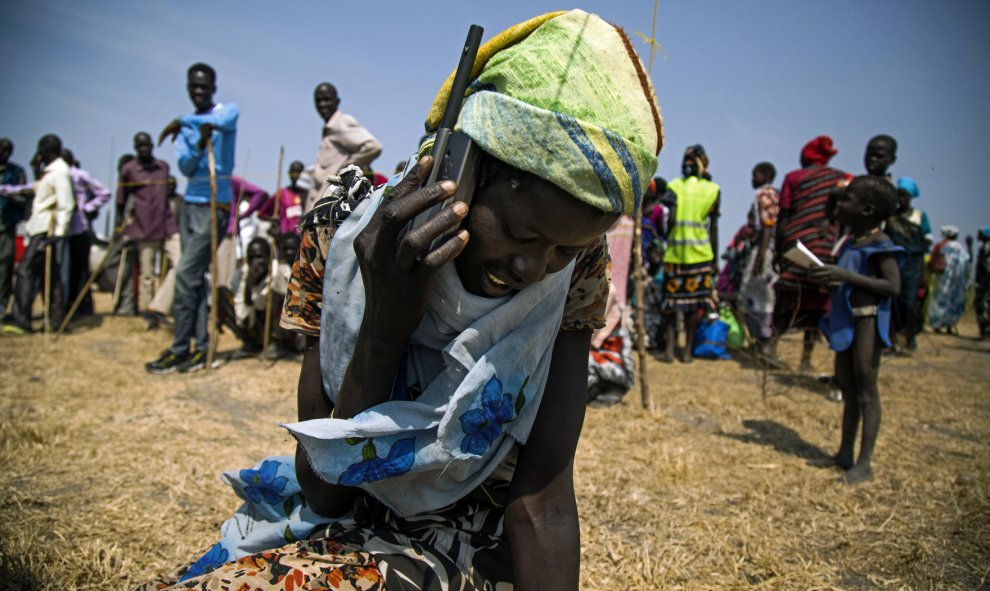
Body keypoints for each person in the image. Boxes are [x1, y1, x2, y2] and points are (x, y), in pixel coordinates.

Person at [135, 10, 662, 590]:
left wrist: (556, 253)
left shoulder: (574, 273)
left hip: (470, 557)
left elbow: (542, 502)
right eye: (522, 234)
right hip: (340, 523)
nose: (531, 268)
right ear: (460, 171)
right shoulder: (342, 236)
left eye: (561, 249)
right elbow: (326, 491)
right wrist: (386, 323)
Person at [146, 62, 238, 373]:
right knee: (193, 278)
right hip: (190, 204)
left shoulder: (227, 112)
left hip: (216, 203)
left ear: (213, 87)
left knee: (184, 275)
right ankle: (198, 347)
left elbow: (222, 121)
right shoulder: (187, 131)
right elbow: (185, 167)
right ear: (188, 87)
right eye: (194, 86)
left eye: (204, 86)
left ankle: (180, 348)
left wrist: (181, 120)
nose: (199, 91)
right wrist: (199, 139)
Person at [810, 176, 902, 484]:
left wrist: (844, 275)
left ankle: (865, 463)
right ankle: (845, 453)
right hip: (847, 322)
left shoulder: (881, 245)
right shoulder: (851, 242)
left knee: (866, 391)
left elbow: (892, 286)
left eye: (848, 198)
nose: (841, 203)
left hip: (867, 322)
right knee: (848, 389)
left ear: (867, 210)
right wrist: (831, 277)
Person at [773, 135, 853, 371]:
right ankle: (805, 359)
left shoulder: (794, 178)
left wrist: (780, 251)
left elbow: (784, 216)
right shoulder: (842, 179)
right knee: (817, 304)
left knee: (788, 299)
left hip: (796, 248)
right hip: (826, 248)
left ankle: (769, 347)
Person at [7, 134, 74, 334]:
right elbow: (37, 190)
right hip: (39, 229)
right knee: (50, 277)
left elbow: (66, 203)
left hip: (46, 230)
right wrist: (36, 169)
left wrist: (59, 233)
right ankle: (56, 320)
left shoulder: (60, 171)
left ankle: (22, 319)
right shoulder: (49, 172)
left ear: (45, 150)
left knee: (25, 271)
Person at [661, 144, 720, 363]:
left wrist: (667, 237)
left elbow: (672, 220)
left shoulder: (674, 186)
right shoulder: (712, 190)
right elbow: (713, 228)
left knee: (670, 304)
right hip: (701, 255)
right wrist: (714, 258)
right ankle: (686, 352)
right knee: (694, 306)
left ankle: (668, 349)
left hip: (675, 254)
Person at [116, 131, 179, 326]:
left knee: (183, 263)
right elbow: (121, 200)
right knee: (147, 274)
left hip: (168, 225)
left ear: (152, 145)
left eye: (147, 145)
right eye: (140, 146)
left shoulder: (163, 168)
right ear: (135, 148)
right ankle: (148, 315)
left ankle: (159, 306)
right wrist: (119, 227)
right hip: (144, 228)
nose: (144, 149)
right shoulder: (129, 170)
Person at [304, 82, 382, 213]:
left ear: (337, 101)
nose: (322, 104)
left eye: (327, 99)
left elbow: (372, 146)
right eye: (318, 101)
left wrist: (346, 168)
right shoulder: (329, 129)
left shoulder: (340, 123)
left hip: (329, 208)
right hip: (318, 209)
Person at [737, 162, 780, 356]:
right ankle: (759, 340)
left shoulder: (765, 194)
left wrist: (760, 258)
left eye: (755, 175)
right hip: (764, 250)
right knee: (756, 296)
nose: (752, 179)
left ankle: (763, 341)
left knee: (760, 296)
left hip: (765, 252)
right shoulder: (772, 194)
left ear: (765, 174)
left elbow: (768, 227)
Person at [885, 177, 931, 351]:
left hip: (912, 266)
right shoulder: (891, 217)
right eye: (899, 195)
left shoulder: (919, 216)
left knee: (910, 303)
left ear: (911, 197)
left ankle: (909, 337)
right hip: (894, 264)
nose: (901, 199)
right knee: (893, 302)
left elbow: (926, 240)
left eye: (904, 195)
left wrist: (919, 265)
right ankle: (893, 338)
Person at [0, 138, 29, 317]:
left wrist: (9, 194)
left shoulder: (16, 172)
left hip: (6, 225)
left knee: (4, 264)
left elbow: (24, 199)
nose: (4, 154)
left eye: (7, 151)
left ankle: (2, 304)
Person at [927, 225, 970, 334]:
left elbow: (933, 261)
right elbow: (966, 262)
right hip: (956, 282)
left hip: (942, 279)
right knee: (952, 301)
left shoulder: (941, 246)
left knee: (939, 300)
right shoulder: (961, 249)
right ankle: (949, 326)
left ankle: (937, 324)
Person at [258, 160, 307, 235]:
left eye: (299, 172)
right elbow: (261, 214)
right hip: (285, 236)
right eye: (293, 172)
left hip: (303, 236)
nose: (296, 175)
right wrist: (273, 220)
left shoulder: (307, 194)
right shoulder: (281, 193)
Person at [975, 226, 990, 340]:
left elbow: (985, 267)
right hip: (985, 283)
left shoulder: (985, 248)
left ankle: (985, 331)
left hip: (984, 284)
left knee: (982, 306)